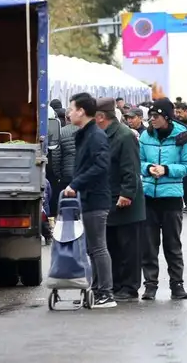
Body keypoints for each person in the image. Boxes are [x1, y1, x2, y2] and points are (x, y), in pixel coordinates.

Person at [139, 98, 187, 300]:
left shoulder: (182, 137)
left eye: (155, 116)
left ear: (166, 117)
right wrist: (147, 168)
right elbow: (138, 161)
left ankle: (177, 284)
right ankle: (150, 285)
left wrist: (167, 170)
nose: (152, 120)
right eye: (150, 116)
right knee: (149, 245)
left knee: (172, 245)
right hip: (149, 197)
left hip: (171, 198)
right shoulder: (146, 135)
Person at [63, 92, 115, 308]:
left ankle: (106, 293)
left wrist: (76, 184)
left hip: (96, 198)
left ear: (82, 111)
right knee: (92, 248)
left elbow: (101, 166)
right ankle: (95, 289)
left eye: (72, 108)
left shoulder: (96, 135)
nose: (68, 112)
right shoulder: (85, 134)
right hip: (87, 198)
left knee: (98, 247)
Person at [95, 98, 145, 302]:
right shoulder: (101, 134)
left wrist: (127, 194)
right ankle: (114, 284)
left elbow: (131, 168)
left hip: (125, 199)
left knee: (128, 246)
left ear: (101, 117)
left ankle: (130, 287)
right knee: (111, 244)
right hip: (108, 197)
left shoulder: (124, 135)